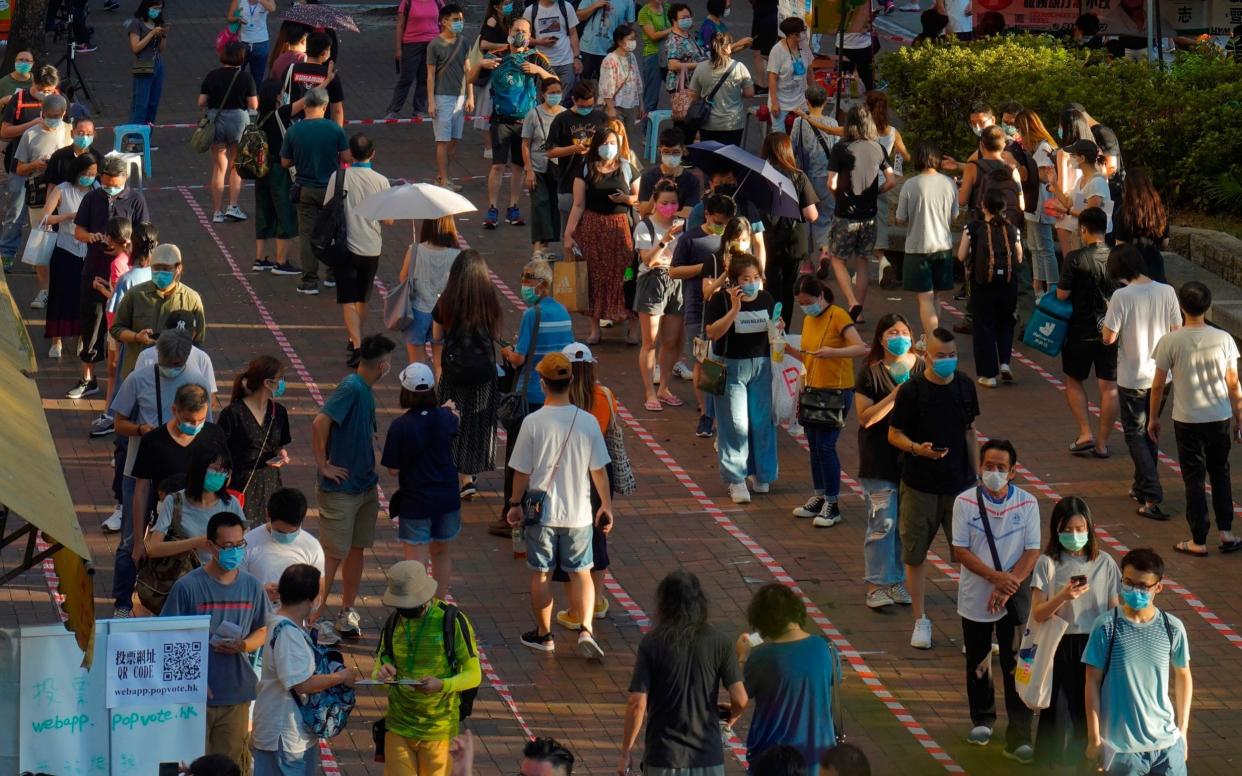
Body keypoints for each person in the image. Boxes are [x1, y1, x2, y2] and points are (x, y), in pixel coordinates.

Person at [505, 353, 612, 658]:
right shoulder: (587, 421)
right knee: (582, 573)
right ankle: (586, 629)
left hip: (542, 514)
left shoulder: (532, 422)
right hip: (579, 514)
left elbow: (522, 472)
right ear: (571, 381)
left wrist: (514, 504)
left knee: (541, 574)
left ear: (543, 384)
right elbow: (599, 471)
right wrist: (605, 505)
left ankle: (544, 634)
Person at [110, 334, 217, 615]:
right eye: (167, 362)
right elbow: (118, 423)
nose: (172, 367)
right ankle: (123, 602)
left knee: (180, 538)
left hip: (181, 477)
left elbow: (208, 431)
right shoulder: (138, 379)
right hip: (142, 468)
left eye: (177, 363)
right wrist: (141, 431)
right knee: (131, 541)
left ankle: (165, 596)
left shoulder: (198, 380)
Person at [888, 327, 980, 649]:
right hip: (919, 486)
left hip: (960, 487)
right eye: (941, 356)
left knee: (969, 557)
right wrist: (917, 449)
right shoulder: (912, 391)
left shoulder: (965, 386)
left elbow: (970, 432)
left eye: (952, 355)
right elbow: (894, 434)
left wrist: (977, 476)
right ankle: (920, 620)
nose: (947, 361)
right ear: (926, 355)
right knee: (915, 554)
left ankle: (973, 623)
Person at [950, 438, 1040, 761]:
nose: (995, 472)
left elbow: (1032, 550)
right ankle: (983, 719)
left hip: (1012, 599)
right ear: (980, 467)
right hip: (976, 596)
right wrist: (995, 579)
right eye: (989, 466)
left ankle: (1019, 735)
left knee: (1016, 664)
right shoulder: (964, 503)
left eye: (1002, 468)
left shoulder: (1028, 504)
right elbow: (960, 550)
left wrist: (1007, 585)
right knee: (978, 659)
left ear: (1013, 471)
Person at [162, 511, 269, 774]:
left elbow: (264, 629)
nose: (235, 551)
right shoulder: (187, 587)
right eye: (228, 546)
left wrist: (243, 645)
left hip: (235, 695)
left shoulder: (252, 587)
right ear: (210, 546)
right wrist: (191, 681)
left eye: (240, 544)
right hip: (194, 700)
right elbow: (167, 638)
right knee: (193, 765)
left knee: (231, 765)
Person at [311, 333, 396, 644]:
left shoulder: (365, 390)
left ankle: (346, 611)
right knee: (332, 554)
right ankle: (314, 616)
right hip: (341, 490)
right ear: (383, 366)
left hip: (364, 487)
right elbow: (320, 423)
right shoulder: (350, 388)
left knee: (356, 549)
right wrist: (323, 465)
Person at [619, 570, 747, 774]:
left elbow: (637, 703)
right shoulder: (719, 641)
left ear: (663, 603)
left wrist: (626, 751)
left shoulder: (652, 642)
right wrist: (731, 717)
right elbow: (740, 699)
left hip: (663, 757)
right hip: (708, 758)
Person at [1149, 281, 1242, 557]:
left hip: (1186, 419)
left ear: (1181, 306)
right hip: (1219, 416)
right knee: (1221, 473)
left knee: (1194, 478)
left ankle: (1198, 539)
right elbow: (1233, 382)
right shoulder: (1223, 339)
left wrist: (1153, 417)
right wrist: (1239, 418)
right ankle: (1226, 532)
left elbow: (1157, 385)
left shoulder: (1170, 340)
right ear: (1208, 306)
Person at [1083, 549, 1193, 776]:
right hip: (1122, 751)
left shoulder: (1172, 628)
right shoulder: (1106, 627)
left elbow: (1183, 675)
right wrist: (1094, 737)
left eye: (1143, 586)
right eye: (1129, 583)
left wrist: (1182, 732)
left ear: (1158, 587)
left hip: (1168, 747)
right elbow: (1091, 682)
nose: (1134, 590)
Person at [1029, 496, 1120, 765]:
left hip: (1094, 644)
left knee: (1089, 713)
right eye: (1067, 530)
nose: (1074, 535)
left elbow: (1113, 609)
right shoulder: (1047, 563)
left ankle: (1089, 765)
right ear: (1056, 531)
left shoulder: (1104, 562)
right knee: (1055, 712)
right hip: (1059, 644)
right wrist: (1063, 596)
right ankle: (1046, 767)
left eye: (1080, 529)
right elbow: (1038, 613)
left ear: (1090, 528)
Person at [374, 560, 482, 776]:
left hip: (439, 730)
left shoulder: (451, 621)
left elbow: (474, 674)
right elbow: (380, 665)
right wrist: (382, 674)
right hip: (398, 726)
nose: (405, 610)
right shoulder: (394, 622)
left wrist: (443, 685)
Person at [1101, 246, 1181, 520]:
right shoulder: (1167, 291)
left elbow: (1108, 338)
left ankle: (1150, 491)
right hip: (1161, 375)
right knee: (1152, 429)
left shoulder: (1121, 296)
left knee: (1135, 434)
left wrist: (1106, 322)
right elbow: (1176, 331)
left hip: (1132, 376)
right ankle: (1141, 485)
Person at [251, 563, 352, 775]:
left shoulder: (286, 625)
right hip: (284, 734)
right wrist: (339, 677)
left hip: (291, 732)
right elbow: (301, 683)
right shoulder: (288, 634)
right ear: (311, 599)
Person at [496, 259, 575, 524]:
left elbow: (519, 359)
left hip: (530, 394)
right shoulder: (564, 312)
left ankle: (511, 510)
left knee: (518, 458)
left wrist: (507, 351)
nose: (524, 287)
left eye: (528, 282)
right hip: (554, 396)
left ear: (542, 285)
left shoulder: (532, 314)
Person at [786, 275, 866, 525]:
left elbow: (860, 347)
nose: (805, 306)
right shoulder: (810, 319)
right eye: (801, 303)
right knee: (814, 446)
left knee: (827, 446)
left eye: (808, 301)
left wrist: (834, 353)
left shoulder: (838, 316)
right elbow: (810, 356)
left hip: (836, 392)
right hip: (812, 389)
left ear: (820, 295)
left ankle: (833, 501)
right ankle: (819, 495)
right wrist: (787, 350)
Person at [854, 313, 919, 608]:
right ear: (881, 338)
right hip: (878, 461)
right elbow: (865, 418)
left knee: (903, 525)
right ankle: (875, 584)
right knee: (882, 522)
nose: (899, 337)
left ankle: (895, 582)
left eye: (903, 331)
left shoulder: (922, 368)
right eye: (892, 332)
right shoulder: (870, 371)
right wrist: (896, 394)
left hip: (912, 461)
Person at [71, 155, 149, 400]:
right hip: (93, 270)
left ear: (125, 179)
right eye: (105, 183)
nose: (109, 188)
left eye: (114, 183)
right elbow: (78, 231)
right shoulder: (92, 198)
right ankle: (88, 377)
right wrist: (91, 237)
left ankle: (125, 383)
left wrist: (125, 246)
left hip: (124, 275)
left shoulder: (136, 200)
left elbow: (144, 236)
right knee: (91, 326)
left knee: (124, 327)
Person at [705, 253, 779, 504]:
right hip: (730, 367)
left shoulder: (767, 299)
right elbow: (713, 332)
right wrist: (735, 309)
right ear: (734, 281)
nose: (752, 283)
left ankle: (762, 474)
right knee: (734, 423)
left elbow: (775, 329)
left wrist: (777, 330)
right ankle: (736, 479)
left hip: (761, 365)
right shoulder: (719, 301)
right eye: (746, 278)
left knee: (761, 421)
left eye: (756, 277)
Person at [383, 363, 462, 595]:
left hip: (415, 502)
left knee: (416, 561)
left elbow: (393, 470)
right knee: (441, 553)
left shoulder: (400, 427)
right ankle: (440, 603)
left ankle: (418, 605)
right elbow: (452, 418)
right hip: (447, 499)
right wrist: (448, 411)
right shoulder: (445, 418)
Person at [738, 583, 836, 771]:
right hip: (820, 755)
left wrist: (742, 657)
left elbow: (741, 695)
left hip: (776, 759)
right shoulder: (825, 647)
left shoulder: (763, 657)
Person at [431, 249, 503, 500]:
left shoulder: (447, 301)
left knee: (454, 418)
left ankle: (457, 472)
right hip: (484, 371)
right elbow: (495, 333)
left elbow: (437, 336)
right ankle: (469, 474)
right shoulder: (489, 301)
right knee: (478, 420)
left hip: (454, 371)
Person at [470, 17, 553, 230]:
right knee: (497, 166)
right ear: (509, 31)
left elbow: (555, 84)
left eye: (525, 32)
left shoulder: (536, 57)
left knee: (519, 167)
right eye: (517, 30)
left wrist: (539, 72)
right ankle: (492, 208)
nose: (521, 35)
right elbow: (470, 79)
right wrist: (480, 64)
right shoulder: (497, 56)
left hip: (526, 122)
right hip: (500, 120)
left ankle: (513, 207)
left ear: (530, 35)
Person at [563, 125, 639, 344]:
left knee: (627, 274)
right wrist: (569, 235)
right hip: (593, 228)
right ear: (597, 146)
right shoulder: (586, 168)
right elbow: (578, 204)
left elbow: (641, 199)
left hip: (621, 229)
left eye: (613, 143)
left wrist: (625, 200)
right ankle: (595, 328)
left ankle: (633, 326)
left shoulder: (627, 168)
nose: (609, 147)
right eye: (605, 143)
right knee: (594, 276)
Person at [672, 192, 736, 437]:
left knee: (719, 362)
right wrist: (707, 267)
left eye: (726, 224)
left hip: (728, 308)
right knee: (702, 360)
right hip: (697, 308)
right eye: (718, 222)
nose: (722, 228)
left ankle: (718, 410)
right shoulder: (690, 239)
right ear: (706, 215)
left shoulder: (734, 241)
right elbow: (674, 271)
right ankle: (705, 411)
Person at [1056, 207, 1118, 457]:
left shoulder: (1075, 258)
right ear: (1105, 229)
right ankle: (1102, 443)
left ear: (1083, 229)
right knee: (1109, 386)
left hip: (1080, 329)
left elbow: (1062, 294)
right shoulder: (1117, 257)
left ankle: (1085, 432)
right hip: (1111, 329)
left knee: (1074, 380)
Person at [825, 105, 895, 323]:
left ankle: (851, 302)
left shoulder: (841, 148)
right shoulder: (878, 148)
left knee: (838, 259)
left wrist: (837, 195)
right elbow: (891, 180)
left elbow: (832, 182)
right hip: (869, 215)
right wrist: (876, 192)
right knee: (863, 262)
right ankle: (860, 312)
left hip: (845, 214)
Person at [323, 134, 392, 354]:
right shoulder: (381, 181)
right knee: (363, 297)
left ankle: (357, 343)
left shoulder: (339, 176)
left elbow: (328, 208)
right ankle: (355, 338)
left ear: (350, 154)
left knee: (347, 298)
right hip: (372, 246)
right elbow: (388, 220)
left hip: (345, 245)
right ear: (373, 153)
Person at [280, 87, 348, 296]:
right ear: (325, 106)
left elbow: (285, 162)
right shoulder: (335, 129)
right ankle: (333, 273)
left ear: (305, 106)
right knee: (335, 231)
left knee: (308, 234)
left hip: (305, 189)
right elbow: (346, 157)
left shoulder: (294, 131)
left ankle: (309, 280)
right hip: (331, 189)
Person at [109, 243, 206, 382]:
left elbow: (198, 342)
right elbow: (116, 328)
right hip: (138, 373)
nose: (160, 272)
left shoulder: (192, 300)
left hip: (176, 376)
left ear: (179, 268)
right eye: (156, 268)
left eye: (166, 269)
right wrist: (137, 337)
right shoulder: (135, 294)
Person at [217, 356, 292, 526]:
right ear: (268, 382)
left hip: (271, 485)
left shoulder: (278, 412)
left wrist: (281, 454)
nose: (282, 383)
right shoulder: (232, 414)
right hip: (241, 487)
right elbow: (220, 452)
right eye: (280, 379)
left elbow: (278, 445)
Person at [957, 188, 1021, 388]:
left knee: (984, 327)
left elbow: (960, 255)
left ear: (983, 205)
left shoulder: (972, 228)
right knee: (1006, 323)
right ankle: (1004, 363)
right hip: (1008, 285)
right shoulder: (1013, 230)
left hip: (982, 285)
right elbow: (1019, 257)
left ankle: (988, 374)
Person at [251, 70, 313, 275]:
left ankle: (260, 258)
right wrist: (327, 81)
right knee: (284, 212)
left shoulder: (259, 116)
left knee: (264, 211)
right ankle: (281, 261)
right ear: (277, 96)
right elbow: (307, 101)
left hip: (261, 170)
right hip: (278, 170)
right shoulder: (281, 113)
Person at [11, 94, 71, 305]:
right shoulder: (30, 135)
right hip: (38, 195)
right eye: (49, 116)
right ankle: (45, 291)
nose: (53, 119)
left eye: (57, 116)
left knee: (67, 243)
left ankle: (63, 288)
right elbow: (19, 169)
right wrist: (35, 165)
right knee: (42, 243)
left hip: (66, 196)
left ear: (64, 114)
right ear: (42, 114)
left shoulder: (70, 132)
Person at [895, 142, 957, 341]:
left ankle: (931, 340)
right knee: (935, 297)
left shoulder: (910, 184)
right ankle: (931, 337)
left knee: (925, 298)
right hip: (944, 246)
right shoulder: (949, 183)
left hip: (918, 247)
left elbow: (901, 218)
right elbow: (954, 216)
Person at [0, 64, 60, 271]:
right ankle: (7, 253)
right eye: (43, 90)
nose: (46, 95)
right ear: (34, 84)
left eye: (50, 91)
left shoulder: (59, 100)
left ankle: (41, 258)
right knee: (15, 211)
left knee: (44, 214)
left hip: (47, 171)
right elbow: (5, 132)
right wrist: (32, 124)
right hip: (19, 165)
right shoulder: (19, 100)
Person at [145, 448, 247, 566]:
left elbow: (243, 540)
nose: (220, 475)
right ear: (199, 469)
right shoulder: (174, 501)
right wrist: (195, 543)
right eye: (215, 469)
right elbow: (153, 549)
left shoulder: (231, 503)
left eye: (225, 471)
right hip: (185, 574)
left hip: (220, 573)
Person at [633, 179, 685, 410]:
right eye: (665, 202)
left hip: (676, 281)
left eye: (674, 203)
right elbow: (647, 259)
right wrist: (665, 241)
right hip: (652, 283)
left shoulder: (683, 226)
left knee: (671, 341)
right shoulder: (645, 226)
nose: (669, 207)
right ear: (655, 201)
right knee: (650, 342)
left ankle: (664, 387)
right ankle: (649, 392)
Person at [759, 132, 819, 327]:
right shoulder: (798, 176)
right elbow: (812, 215)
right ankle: (782, 331)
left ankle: (768, 327)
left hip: (767, 239)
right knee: (788, 287)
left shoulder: (760, 176)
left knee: (769, 285)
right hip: (794, 240)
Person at [42, 154, 96, 360]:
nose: (89, 178)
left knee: (83, 297)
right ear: (77, 172)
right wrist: (68, 216)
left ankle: (81, 338)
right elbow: (45, 217)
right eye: (85, 174)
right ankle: (57, 340)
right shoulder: (62, 189)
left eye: (93, 174)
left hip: (87, 250)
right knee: (61, 294)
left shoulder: (96, 190)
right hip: (65, 249)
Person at [199, 41, 259, 224]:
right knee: (236, 164)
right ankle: (233, 206)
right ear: (241, 58)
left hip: (216, 120)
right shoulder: (245, 78)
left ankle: (217, 212)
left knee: (218, 167)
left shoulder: (212, 75)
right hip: (238, 121)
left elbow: (201, 101)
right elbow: (254, 105)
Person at [240, 488, 326, 612]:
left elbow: (319, 590)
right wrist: (260, 593)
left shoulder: (312, 546)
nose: (286, 536)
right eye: (280, 531)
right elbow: (236, 587)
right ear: (268, 514)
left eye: (292, 532)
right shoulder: (248, 543)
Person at [544, 79, 607, 228]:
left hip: (596, 184)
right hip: (568, 184)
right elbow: (550, 151)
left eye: (590, 106)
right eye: (582, 106)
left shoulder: (601, 118)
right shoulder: (562, 119)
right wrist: (573, 149)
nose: (586, 109)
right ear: (573, 100)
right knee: (570, 232)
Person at [400, 215, 461, 365]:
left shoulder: (414, 250)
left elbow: (403, 278)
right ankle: (440, 388)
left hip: (417, 311)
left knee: (416, 363)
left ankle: (420, 388)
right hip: (444, 313)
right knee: (441, 364)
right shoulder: (456, 255)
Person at [1012, 108, 1059, 295]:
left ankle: (1051, 288)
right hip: (1034, 204)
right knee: (1035, 247)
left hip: (1042, 203)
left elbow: (1047, 176)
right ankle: (1038, 286)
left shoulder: (1044, 148)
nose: (1020, 136)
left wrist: (1025, 170)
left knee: (1044, 247)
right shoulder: (1037, 148)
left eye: (1021, 131)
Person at [428, 4, 472, 191]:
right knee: (443, 140)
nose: (459, 23)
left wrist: (470, 96)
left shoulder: (464, 42)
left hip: (460, 97)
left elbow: (468, 70)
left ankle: (443, 176)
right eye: (455, 20)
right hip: (442, 97)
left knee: (454, 140)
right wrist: (431, 101)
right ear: (444, 21)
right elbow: (429, 75)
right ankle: (444, 180)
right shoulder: (434, 45)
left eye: (461, 19)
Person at [790, 85, 836, 260]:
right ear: (825, 102)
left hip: (806, 176)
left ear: (807, 102)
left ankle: (807, 260)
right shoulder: (832, 123)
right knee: (826, 215)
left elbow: (793, 147)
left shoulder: (799, 123)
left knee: (806, 216)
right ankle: (825, 249)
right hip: (828, 176)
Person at [522, 77, 566, 259]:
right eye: (551, 93)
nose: (555, 96)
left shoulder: (565, 114)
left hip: (558, 169)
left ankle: (546, 248)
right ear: (543, 94)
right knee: (539, 205)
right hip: (538, 168)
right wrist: (529, 170)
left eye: (558, 92)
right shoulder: (533, 114)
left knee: (554, 206)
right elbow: (525, 144)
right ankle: (537, 248)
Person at [688, 31, 754, 145]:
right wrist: (735, 91)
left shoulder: (700, 68)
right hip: (733, 123)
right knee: (729, 159)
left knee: (710, 158)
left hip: (708, 123)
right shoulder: (739, 67)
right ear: (728, 47)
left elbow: (693, 96)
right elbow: (749, 93)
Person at [1050, 138, 1113, 254]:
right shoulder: (1081, 179)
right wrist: (1054, 184)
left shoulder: (1096, 182)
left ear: (1082, 158)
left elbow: (1091, 214)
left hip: (1099, 239)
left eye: (1073, 155)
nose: (1070, 158)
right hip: (1088, 236)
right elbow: (1068, 202)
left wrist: (1066, 211)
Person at [386, 0, 444, 119]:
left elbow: (444, 22)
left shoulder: (437, 1)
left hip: (432, 44)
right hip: (412, 44)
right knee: (406, 78)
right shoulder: (407, 2)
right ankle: (393, 110)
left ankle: (419, 109)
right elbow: (400, 25)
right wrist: (398, 49)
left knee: (425, 78)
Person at [1112, 168, 1168, 284]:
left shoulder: (1124, 212)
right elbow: (1165, 242)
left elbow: (1119, 245)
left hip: (1131, 271)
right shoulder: (1158, 210)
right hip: (1155, 267)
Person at [662, 3, 708, 132]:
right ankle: (680, 149)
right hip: (682, 88)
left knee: (692, 123)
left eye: (689, 16)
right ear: (674, 20)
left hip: (693, 86)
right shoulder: (674, 40)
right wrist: (698, 65)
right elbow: (673, 65)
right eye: (683, 18)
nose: (687, 20)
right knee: (684, 123)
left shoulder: (688, 36)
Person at [636, 127, 699, 217]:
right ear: (660, 151)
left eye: (676, 152)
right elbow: (644, 212)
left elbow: (687, 214)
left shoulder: (692, 181)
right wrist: (656, 192)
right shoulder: (648, 177)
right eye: (666, 152)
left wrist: (658, 214)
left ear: (683, 151)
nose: (671, 156)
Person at [524, 0, 583, 90]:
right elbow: (525, 38)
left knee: (563, 99)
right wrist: (539, 42)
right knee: (544, 98)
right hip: (543, 64)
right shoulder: (530, 10)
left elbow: (573, 34)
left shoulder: (566, 7)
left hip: (566, 62)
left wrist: (577, 58)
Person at [127, 0, 168, 125]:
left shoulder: (158, 23)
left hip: (157, 65)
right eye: (155, 7)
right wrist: (151, 34)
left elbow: (161, 49)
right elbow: (135, 48)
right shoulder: (136, 24)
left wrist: (163, 35)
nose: (157, 11)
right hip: (144, 66)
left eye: (160, 8)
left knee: (153, 103)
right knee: (140, 103)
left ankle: (146, 139)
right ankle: (134, 139)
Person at [766, 17, 811, 127]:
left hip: (801, 99)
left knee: (805, 134)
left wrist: (813, 95)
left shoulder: (805, 47)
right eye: (802, 31)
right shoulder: (777, 50)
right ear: (791, 35)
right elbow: (772, 78)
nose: (804, 33)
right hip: (781, 101)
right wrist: (775, 103)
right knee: (780, 137)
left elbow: (810, 72)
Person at [580, 0, 638, 83]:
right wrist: (595, 6)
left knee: (608, 87)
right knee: (584, 88)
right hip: (588, 48)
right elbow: (578, 16)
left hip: (611, 50)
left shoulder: (628, 1)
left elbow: (629, 25)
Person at [598, 25, 642, 127]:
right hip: (616, 106)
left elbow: (637, 80)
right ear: (620, 41)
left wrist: (641, 104)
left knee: (628, 139)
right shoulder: (610, 59)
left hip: (630, 105)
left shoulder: (632, 56)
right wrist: (610, 108)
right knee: (617, 137)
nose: (633, 42)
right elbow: (606, 86)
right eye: (631, 39)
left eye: (634, 39)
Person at [227, 0, 276, 84]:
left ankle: (254, 95)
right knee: (235, 74)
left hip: (261, 43)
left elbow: (272, 8)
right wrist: (237, 19)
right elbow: (229, 18)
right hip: (242, 43)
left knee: (257, 77)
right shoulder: (239, 1)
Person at [637, 0, 673, 113]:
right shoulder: (644, 12)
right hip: (653, 56)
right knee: (651, 98)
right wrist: (674, 28)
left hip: (670, 54)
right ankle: (647, 128)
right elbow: (653, 35)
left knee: (678, 92)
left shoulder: (668, 7)